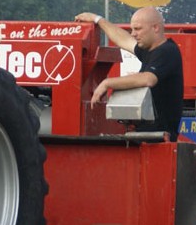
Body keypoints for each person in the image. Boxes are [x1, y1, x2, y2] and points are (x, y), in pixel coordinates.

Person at [75, 7, 183, 141]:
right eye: (132, 30)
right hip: (149, 136)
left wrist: (107, 83)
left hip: (159, 139)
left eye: (137, 29)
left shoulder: (167, 51)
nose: (133, 34)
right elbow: (123, 40)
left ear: (155, 28)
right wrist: (98, 19)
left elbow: (148, 79)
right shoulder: (149, 51)